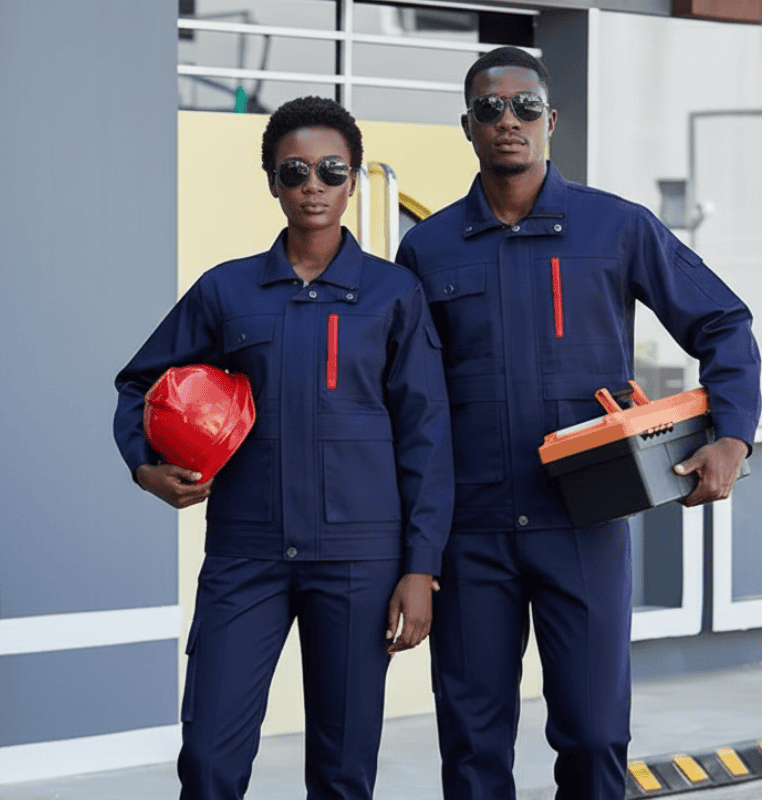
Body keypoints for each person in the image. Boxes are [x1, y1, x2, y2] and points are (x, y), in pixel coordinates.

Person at [395, 46, 761, 800]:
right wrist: (415, 552)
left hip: (583, 527)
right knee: (471, 745)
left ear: (551, 121)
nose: (509, 121)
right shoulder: (426, 250)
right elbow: (404, 398)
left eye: (525, 106)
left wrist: (733, 433)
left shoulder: (615, 228)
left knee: (595, 737)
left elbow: (723, 322)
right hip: (472, 535)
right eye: (490, 109)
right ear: (467, 126)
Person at [113, 96, 453, 800]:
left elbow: (426, 434)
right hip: (248, 554)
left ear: (354, 179)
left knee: (342, 767)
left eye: (331, 170)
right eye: (294, 170)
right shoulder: (227, 290)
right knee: (208, 758)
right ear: (271, 180)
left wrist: (421, 567)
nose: (313, 186)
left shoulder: (393, 295)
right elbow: (141, 383)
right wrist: (145, 467)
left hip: (360, 559)